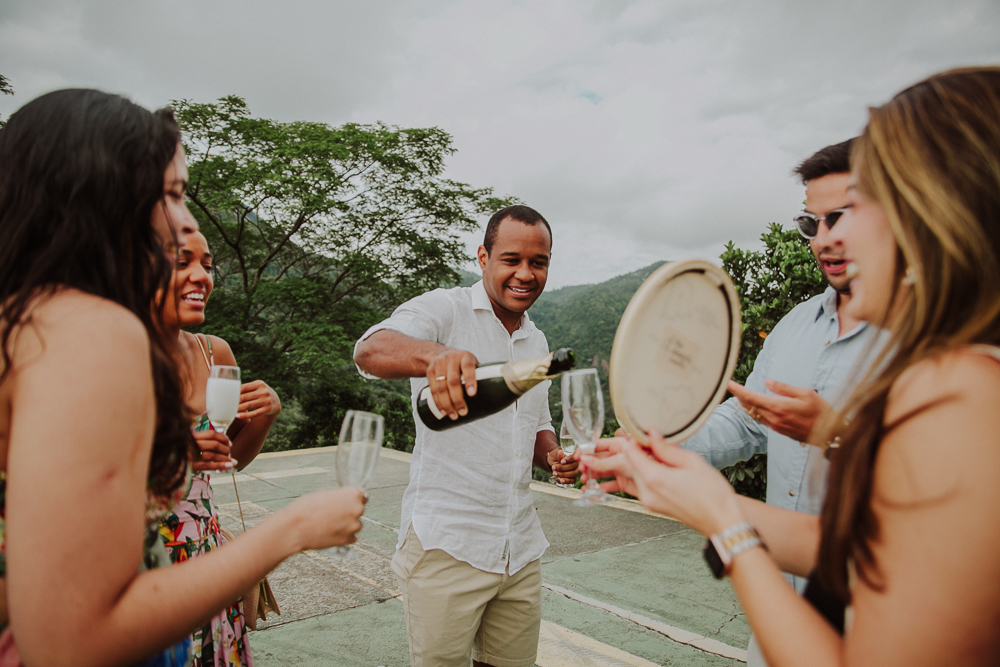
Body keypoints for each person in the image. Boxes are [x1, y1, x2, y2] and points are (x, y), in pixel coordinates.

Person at [587, 66, 1000, 666]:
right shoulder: (950, 369)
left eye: (859, 206)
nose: (833, 237)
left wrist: (725, 519)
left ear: (931, 214)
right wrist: (670, 483)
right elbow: (859, 549)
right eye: (817, 221)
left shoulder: (957, 394)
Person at [0, 88, 366, 667]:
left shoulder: (25, 319)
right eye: (172, 194)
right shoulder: (92, 333)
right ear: (103, 196)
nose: (188, 221)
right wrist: (289, 531)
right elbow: (71, 642)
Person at [353, 205, 579, 667]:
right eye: (511, 259)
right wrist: (436, 355)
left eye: (538, 263)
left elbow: (534, 424)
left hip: (519, 549)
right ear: (483, 257)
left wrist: (556, 455)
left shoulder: (536, 342)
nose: (525, 273)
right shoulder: (445, 309)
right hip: (445, 545)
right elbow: (370, 349)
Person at [682, 139, 883, 586]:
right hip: (784, 593)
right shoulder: (796, 324)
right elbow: (751, 421)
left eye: (841, 218)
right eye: (811, 224)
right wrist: (665, 442)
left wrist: (836, 435)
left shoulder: (932, 341)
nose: (824, 239)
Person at [157, 230, 282, 666]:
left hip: (205, 549)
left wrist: (265, 417)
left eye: (207, 265)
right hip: (144, 557)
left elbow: (226, 459)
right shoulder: (110, 356)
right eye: (182, 261)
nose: (202, 276)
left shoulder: (215, 353)